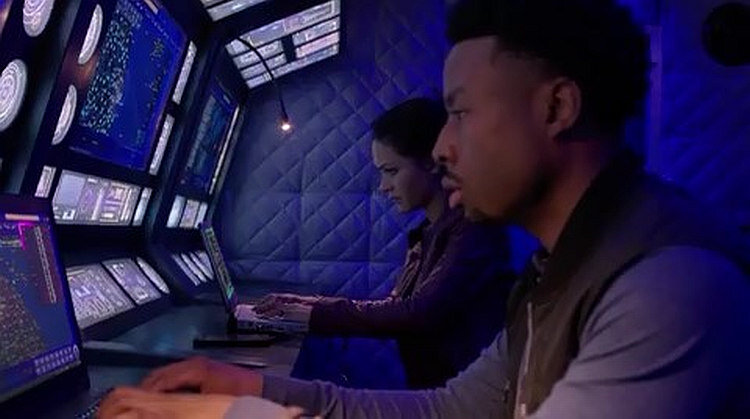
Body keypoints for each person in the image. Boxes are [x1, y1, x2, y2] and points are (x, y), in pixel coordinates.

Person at [98, 0, 750, 417]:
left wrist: (235, 416)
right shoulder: (558, 274)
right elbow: (444, 412)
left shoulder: (673, 286)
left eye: (460, 112)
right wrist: (250, 387)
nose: (441, 148)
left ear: (557, 107)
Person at [254, 98, 515, 390]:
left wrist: (312, 315)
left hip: (465, 399)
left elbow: (418, 313)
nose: (383, 186)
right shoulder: (430, 231)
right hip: (436, 392)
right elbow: (398, 305)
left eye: (391, 171)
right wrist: (306, 303)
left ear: (431, 161)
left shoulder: (472, 230)